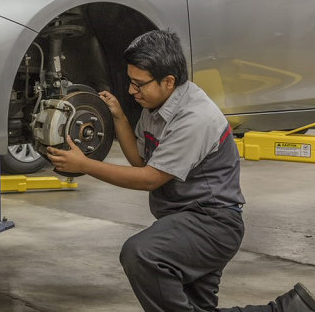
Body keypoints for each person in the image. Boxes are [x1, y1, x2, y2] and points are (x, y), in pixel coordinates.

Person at [47, 29, 315, 312]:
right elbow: (141, 161)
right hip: (184, 220)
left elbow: (150, 179)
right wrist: (121, 119)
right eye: (130, 82)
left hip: (211, 225)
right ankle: (292, 309)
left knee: (141, 254)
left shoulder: (194, 118)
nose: (131, 91)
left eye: (139, 84)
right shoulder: (156, 105)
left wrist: (85, 165)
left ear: (168, 81)